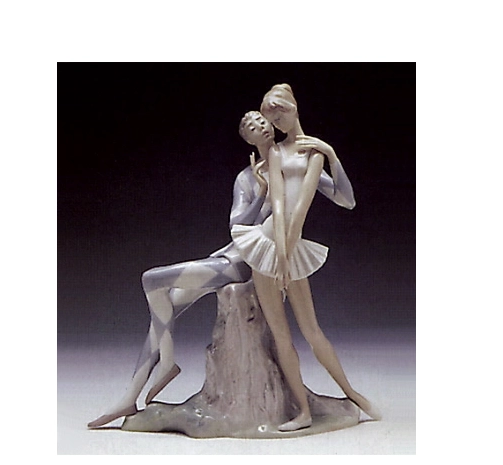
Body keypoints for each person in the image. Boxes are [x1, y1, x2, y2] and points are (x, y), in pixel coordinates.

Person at [88, 110, 354, 428]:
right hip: (230, 255)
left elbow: (346, 199)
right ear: (247, 139)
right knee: (167, 306)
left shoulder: (293, 165)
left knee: (153, 280)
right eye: (251, 126)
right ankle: (136, 390)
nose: (260, 126)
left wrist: (331, 156)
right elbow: (237, 225)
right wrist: (261, 192)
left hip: (245, 264)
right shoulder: (246, 178)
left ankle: (162, 368)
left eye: (261, 121)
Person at [232, 84, 381, 431]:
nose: (276, 123)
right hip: (268, 243)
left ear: (293, 108)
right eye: (271, 119)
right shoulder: (276, 152)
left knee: (312, 331)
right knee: (281, 335)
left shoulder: (313, 152)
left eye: (279, 114)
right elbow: (279, 206)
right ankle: (303, 411)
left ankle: (352, 394)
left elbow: (318, 205)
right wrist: (280, 257)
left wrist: (331, 154)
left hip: (290, 244)